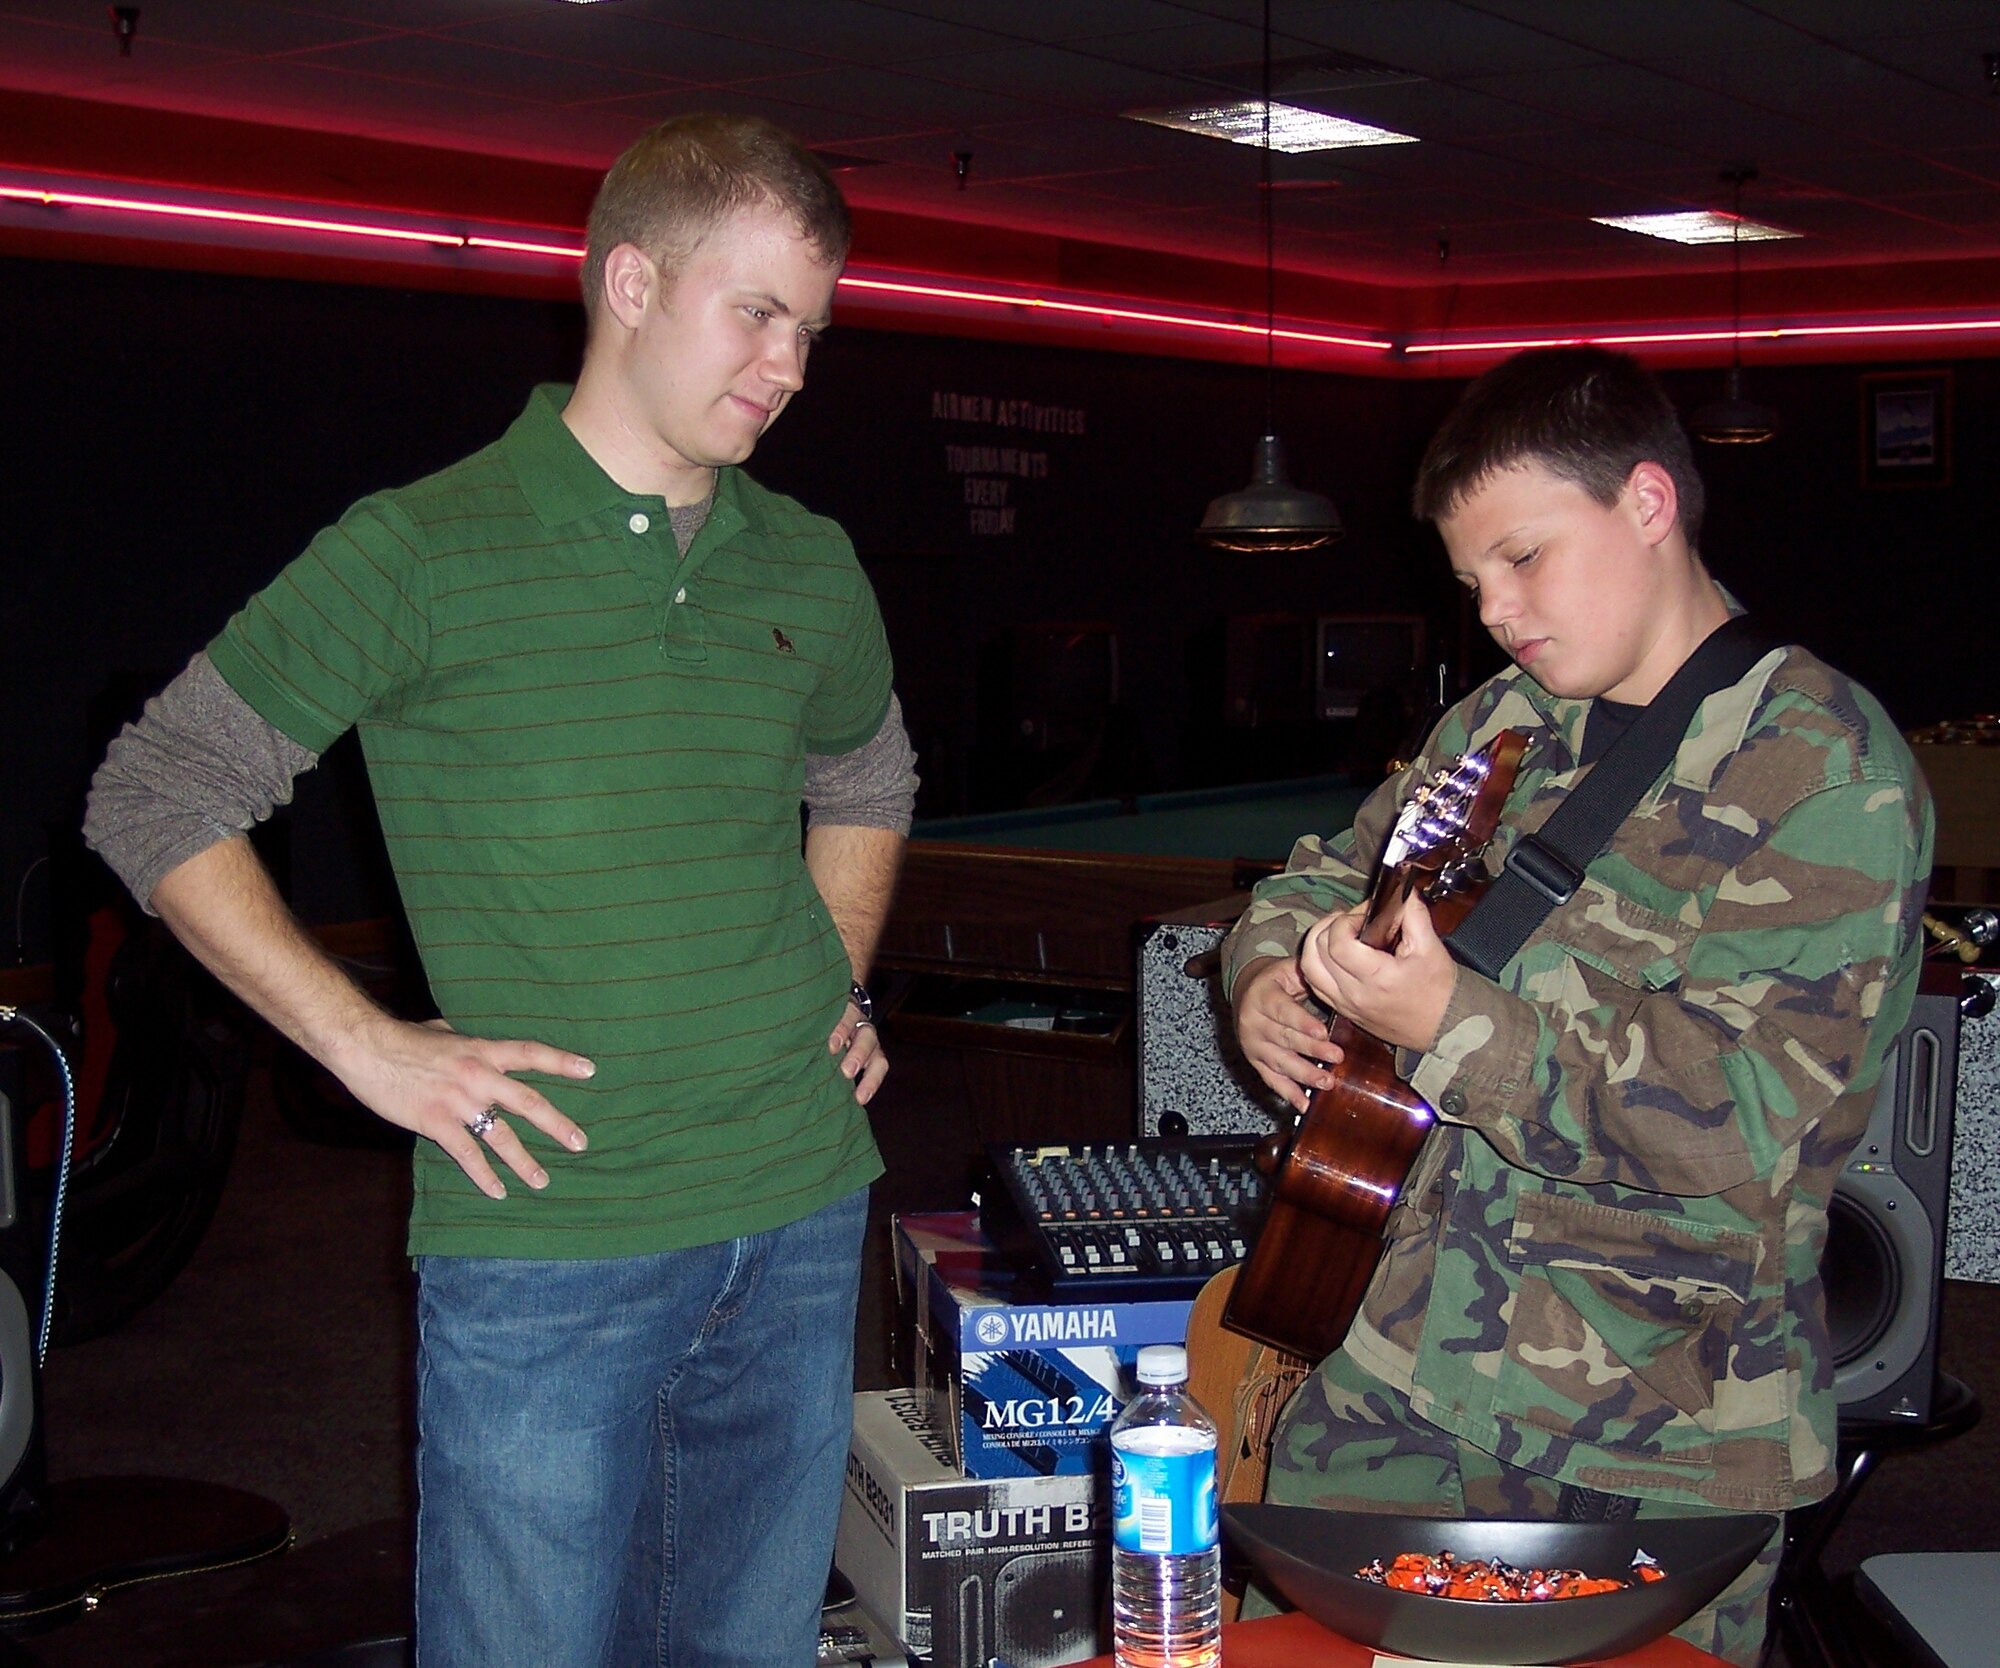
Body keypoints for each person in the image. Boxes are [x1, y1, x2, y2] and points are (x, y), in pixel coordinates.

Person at [84, 114, 918, 1667]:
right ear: (630, 283)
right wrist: (361, 1043)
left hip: (802, 1209)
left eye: (811, 329)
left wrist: (842, 976)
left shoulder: (808, 560)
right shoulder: (420, 549)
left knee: (745, 1651)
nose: (790, 366)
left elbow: (867, 775)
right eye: (756, 313)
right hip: (552, 1236)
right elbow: (155, 790)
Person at [1222, 345, 1931, 1665]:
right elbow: (1327, 868)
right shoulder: (1505, 720)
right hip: (1395, 1372)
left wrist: (1459, 1026)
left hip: (1643, 1432)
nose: (1494, 608)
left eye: (1524, 558)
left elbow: (1740, 1113)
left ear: (1648, 504)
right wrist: (1268, 973)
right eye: (1471, 579)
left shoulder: (1825, 770)